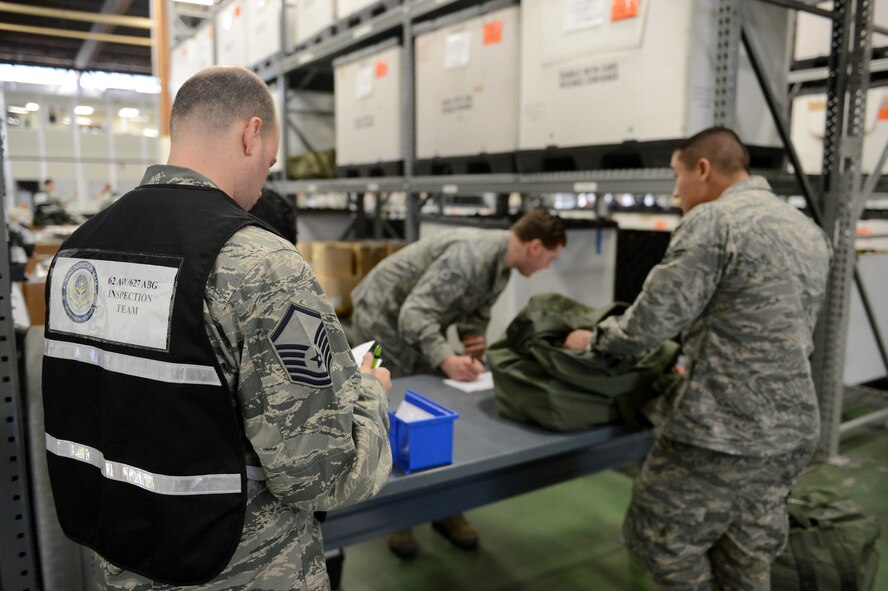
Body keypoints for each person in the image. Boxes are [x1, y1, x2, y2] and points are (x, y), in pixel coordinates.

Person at [41, 65, 392, 590]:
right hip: (244, 570)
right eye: (269, 163)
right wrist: (369, 392)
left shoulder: (78, 252)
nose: (261, 188)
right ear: (251, 134)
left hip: (126, 567)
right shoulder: (260, 263)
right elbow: (322, 476)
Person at [562, 127, 833, 589]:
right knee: (748, 559)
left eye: (677, 176)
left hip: (721, 431)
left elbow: (647, 325)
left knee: (657, 540)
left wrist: (593, 340)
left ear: (703, 170)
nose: (674, 191)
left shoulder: (715, 221)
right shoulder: (807, 231)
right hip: (791, 432)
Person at [350, 208, 566, 558]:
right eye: (550, 259)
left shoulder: (501, 267)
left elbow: (474, 312)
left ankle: (443, 508)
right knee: (399, 409)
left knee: (433, 404)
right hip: (384, 317)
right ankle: (401, 516)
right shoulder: (473, 256)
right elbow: (415, 314)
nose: (546, 268)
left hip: (410, 323)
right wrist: (446, 359)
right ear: (536, 247)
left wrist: (471, 344)